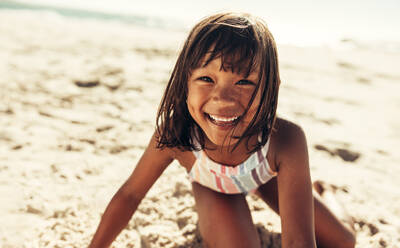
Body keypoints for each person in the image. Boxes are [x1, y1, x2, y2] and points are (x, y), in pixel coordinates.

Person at [89, 12, 356, 248]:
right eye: (206, 79)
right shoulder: (177, 133)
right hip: (212, 184)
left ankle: (325, 190)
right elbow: (130, 194)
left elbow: (298, 242)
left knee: (344, 242)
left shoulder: (285, 140)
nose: (223, 98)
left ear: (270, 88)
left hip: (265, 176)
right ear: (185, 83)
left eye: (244, 81)